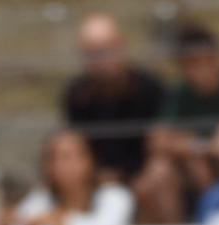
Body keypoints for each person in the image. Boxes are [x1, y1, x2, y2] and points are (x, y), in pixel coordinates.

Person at [134, 21, 219, 225]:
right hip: (193, 174)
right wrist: (200, 147)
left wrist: (200, 147)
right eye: (192, 64)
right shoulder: (181, 94)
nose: (201, 70)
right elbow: (157, 141)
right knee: (158, 173)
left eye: (207, 61)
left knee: (202, 163)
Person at [60, 12, 163, 185]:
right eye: (93, 53)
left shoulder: (149, 87)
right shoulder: (77, 94)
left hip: (143, 177)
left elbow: (160, 141)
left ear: (122, 45)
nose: (102, 60)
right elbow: (77, 143)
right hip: (96, 179)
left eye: (106, 49)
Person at [7, 127, 132, 225]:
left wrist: (61, 221)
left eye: (66, 157)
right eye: (51, 158)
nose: (58, 165)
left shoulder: (116, 196)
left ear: (89, 161)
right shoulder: (40, 198)